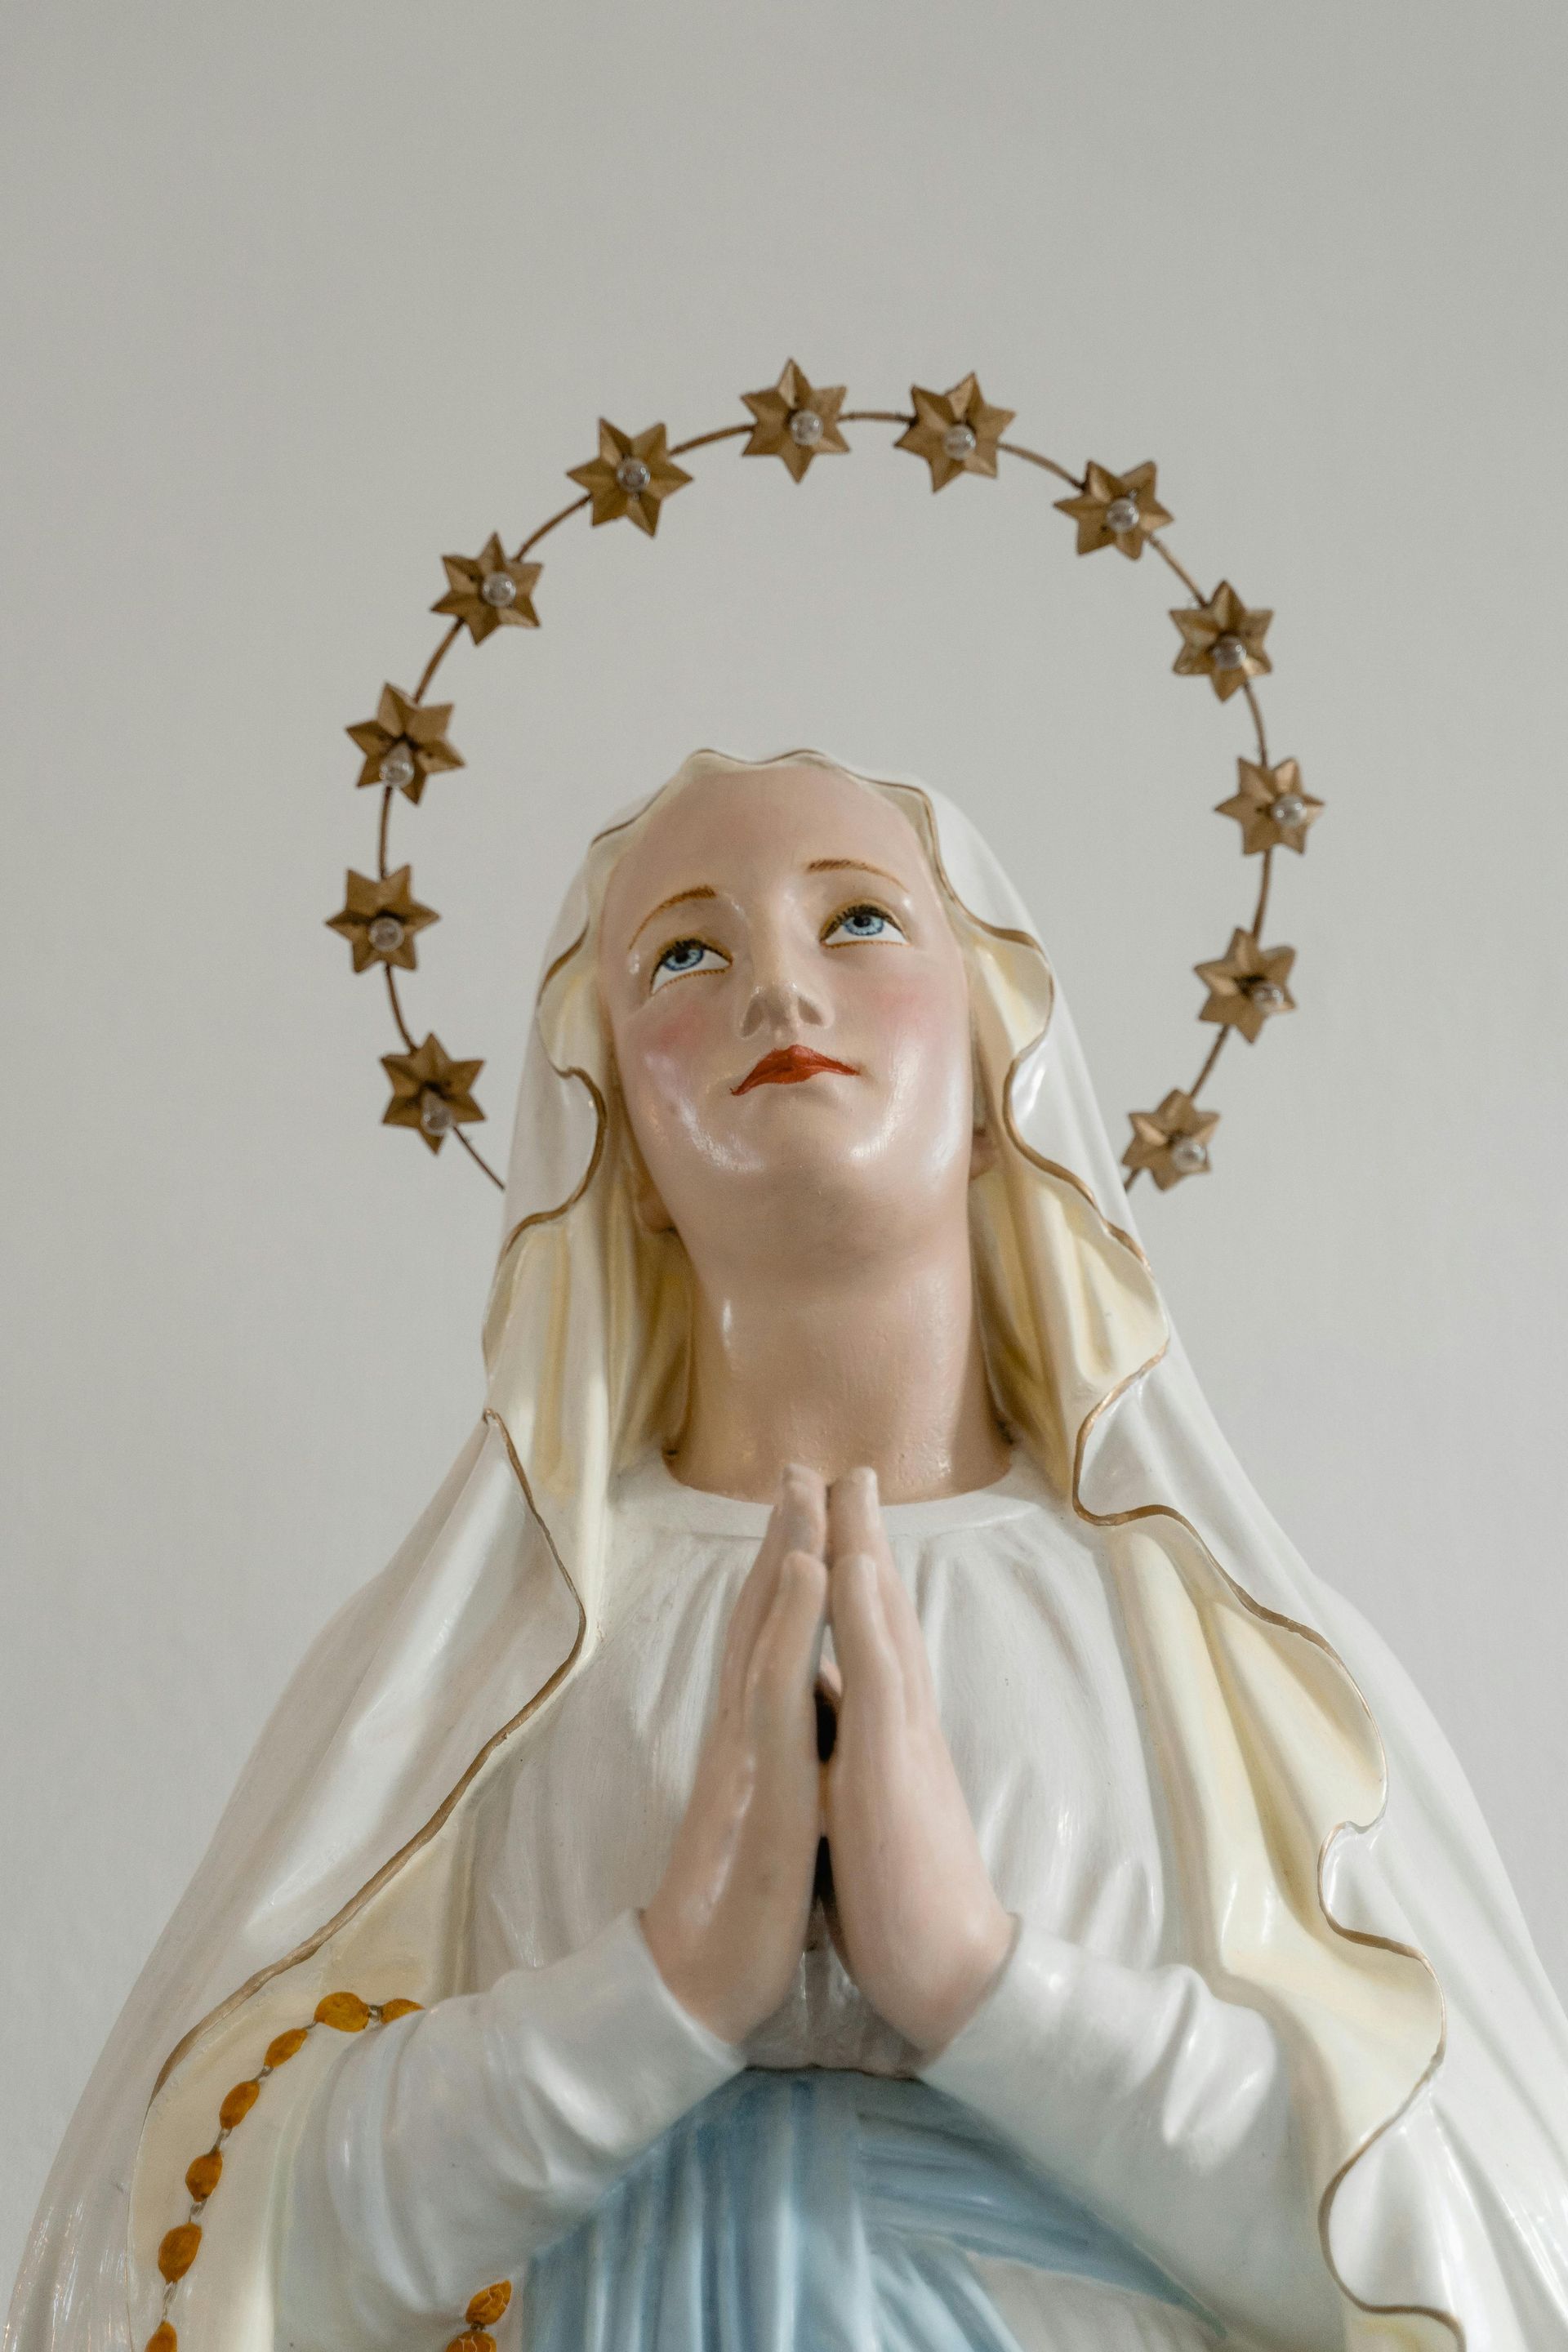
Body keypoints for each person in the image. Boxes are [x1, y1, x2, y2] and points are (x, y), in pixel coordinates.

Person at [9, 750, 1568, 2352]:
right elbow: (207, 2234)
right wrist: (661, 1992)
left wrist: (982, 1981)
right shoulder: (486, 1655)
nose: (777, 990)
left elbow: (1479, 2238)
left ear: (998, 1085)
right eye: (687, 953)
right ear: (619, 1141)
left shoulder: (1211, 1650)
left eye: (859, 922)